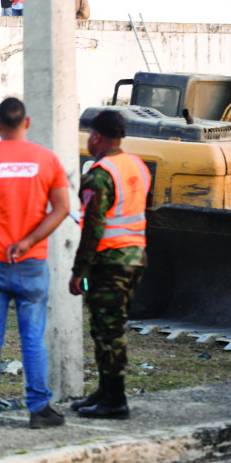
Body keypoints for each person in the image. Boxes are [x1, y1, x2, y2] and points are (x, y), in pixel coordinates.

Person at [0, 97, 69, 429]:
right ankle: (38, 410)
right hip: (31, 262)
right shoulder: (47, 160)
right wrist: (28, 241)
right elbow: (62, 208)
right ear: (27, 122)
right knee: (33, 338)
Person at [69, 110, 150, 420]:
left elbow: (93, 228)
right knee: (106, 325)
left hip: (109, 262)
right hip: (135, 257)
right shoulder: (137, 166)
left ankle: (115, 400)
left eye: (89, 134)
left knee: (108, 329)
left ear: (97, 137)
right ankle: (105, 391)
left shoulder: (100, 174)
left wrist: (79, 271)